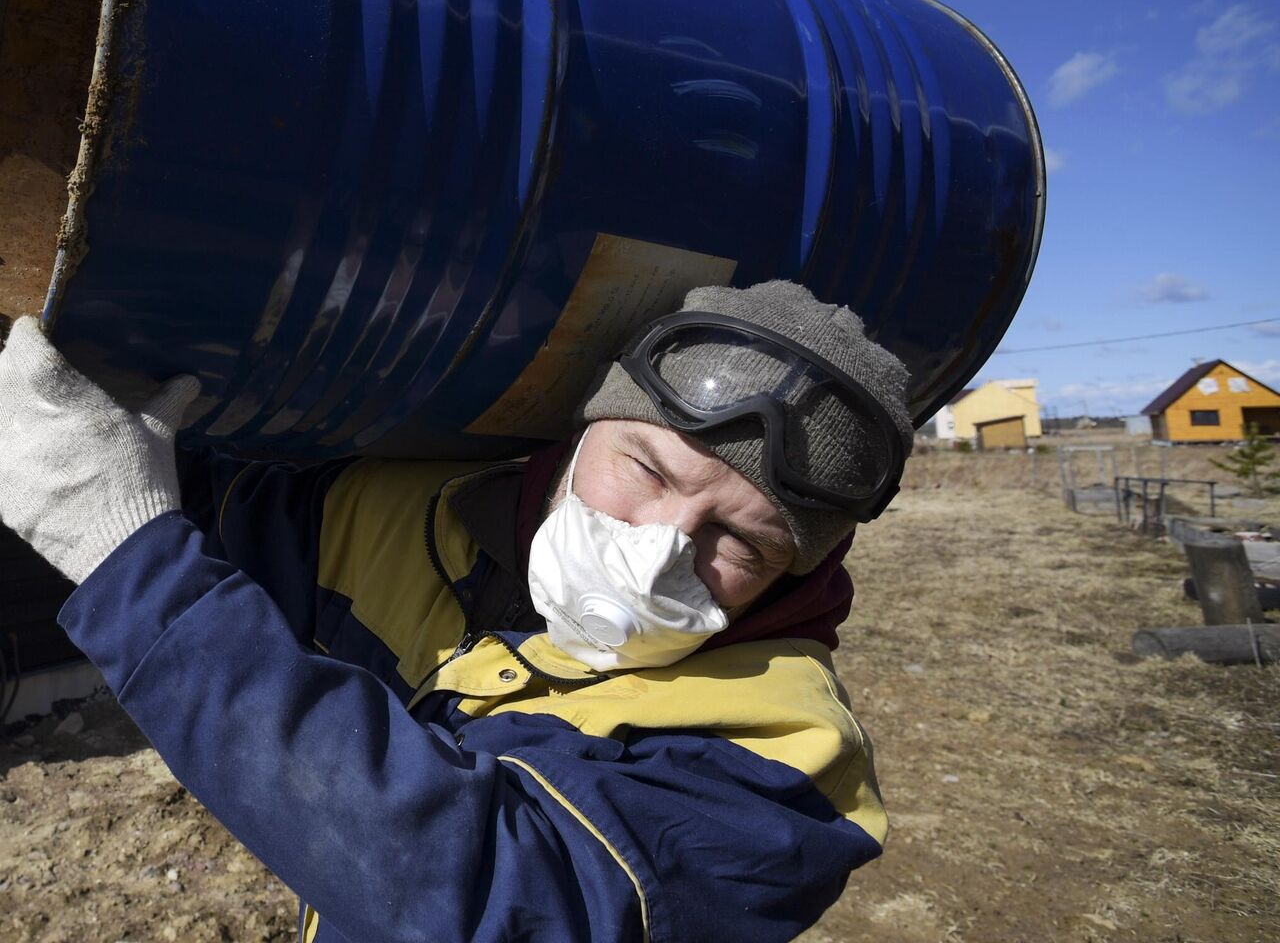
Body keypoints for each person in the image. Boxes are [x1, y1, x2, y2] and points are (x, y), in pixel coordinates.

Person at [0, 279, 914, 943]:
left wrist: (131, 558)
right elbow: (203, 508)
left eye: (740, 544)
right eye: (646, 470)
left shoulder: (790, 761)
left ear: (796, 576)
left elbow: (490, 900)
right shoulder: (401, 514)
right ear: (585, 427)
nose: (661, 546)